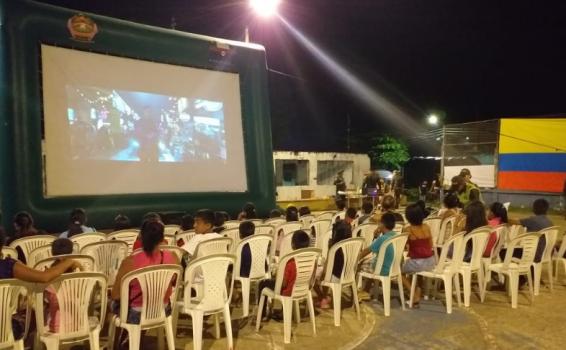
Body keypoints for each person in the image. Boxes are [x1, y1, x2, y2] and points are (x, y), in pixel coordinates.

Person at [1, 231, 81, 341]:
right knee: (29, 316)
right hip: (4, 331)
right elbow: (44, 277)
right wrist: (69, 261)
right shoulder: (8, 265)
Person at [111, 221, 179, 324]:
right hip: (164, 310)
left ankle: (119, 337)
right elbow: (174, 282)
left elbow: (115, 295)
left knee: (110, 303)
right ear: (162, 238)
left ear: (141, 238)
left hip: (136, 315)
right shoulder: (173, 257)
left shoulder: (129, 262)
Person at [257, 230, 310, 320]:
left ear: (293, 245)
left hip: (288, 292)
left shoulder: (290, 262)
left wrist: (277, 275)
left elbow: (283, 284)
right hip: (303, 289)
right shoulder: (311, 259)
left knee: (263, 284)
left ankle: (262, 315)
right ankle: (282, 312)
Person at [401, 204, 435, 307]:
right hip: (431, 261)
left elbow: (402, 246)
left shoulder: (407, 229)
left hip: (417, 262)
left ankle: (413, 294)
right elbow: (431, 244)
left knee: (398, 272)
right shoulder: (427, 227)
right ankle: (417, 294)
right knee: (418, 273)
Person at [358, 212, 397, 299]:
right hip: (394, 267)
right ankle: (366, 290)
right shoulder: (396, 235)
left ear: (382, 224)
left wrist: (356, 258)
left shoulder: (382, 239)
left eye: (379, 223)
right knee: (372, 262)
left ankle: (361, 291)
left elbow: (367, 251)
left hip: (383, 269)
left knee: (361, 264)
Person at [315, 222, 351, 308]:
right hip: (348, 275)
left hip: (335, 277)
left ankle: (322, 297)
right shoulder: (352, 244)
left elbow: (326, 269)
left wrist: (322, 276)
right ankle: (324, 297)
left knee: (314, 275)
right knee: (326, 273)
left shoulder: (334, 247)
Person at [508, 198, 553, 263]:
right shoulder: (550, 222)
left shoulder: (532, 220)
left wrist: (503, 216)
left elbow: (514, 222)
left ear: (535, 208)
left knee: (504, 252)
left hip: (532, 254)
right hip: (545, 254)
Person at [44, 238, 75, 333]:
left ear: (53, 253)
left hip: (56, 327)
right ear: (71, 251)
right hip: (79, 324)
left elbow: (46, 300)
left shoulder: (48, 277)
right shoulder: (79, 276)